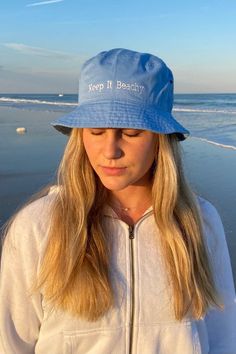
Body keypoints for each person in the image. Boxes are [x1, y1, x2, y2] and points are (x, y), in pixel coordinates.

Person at [0, 48, 235, 354]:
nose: (110, 150)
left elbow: (223, 339)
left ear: (161, 139)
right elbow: (11, 345)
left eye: (131, 132)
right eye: (96, 131)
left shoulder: (199, 222)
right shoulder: (38, 226)